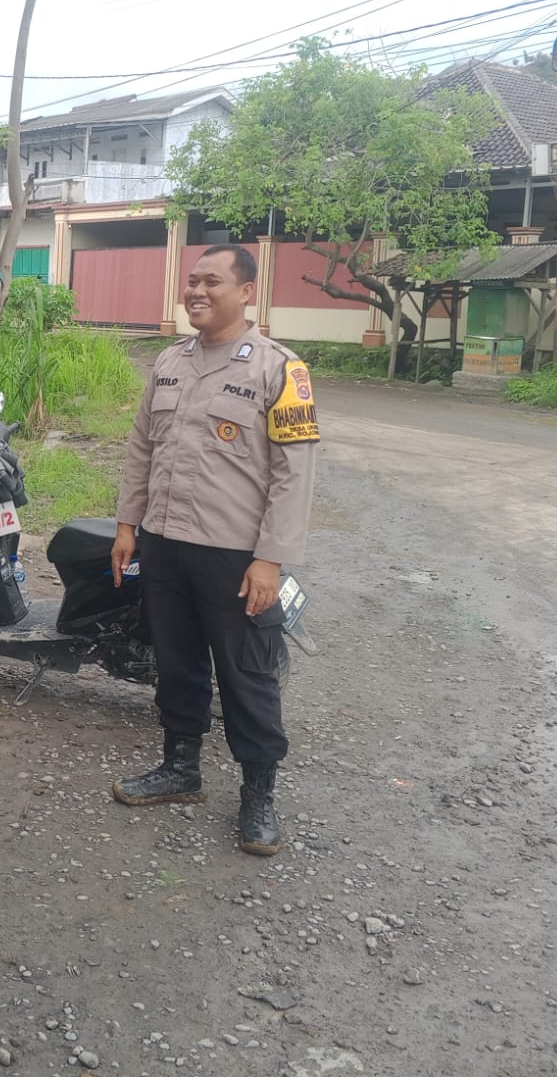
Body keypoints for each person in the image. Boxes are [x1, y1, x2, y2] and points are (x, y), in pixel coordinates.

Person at [109, 244, 318, 857]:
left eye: (212, 282)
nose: (196, 291)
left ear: (247, 292)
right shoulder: (169, 362)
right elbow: (141, 449)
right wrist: (127, 524)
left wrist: (271, 559)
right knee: (176, 662)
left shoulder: (280, 370)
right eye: (192, 281)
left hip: (235, 555)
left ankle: (258, 794)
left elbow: (294, 475)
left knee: (247, 673)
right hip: (165, 543)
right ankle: (181, 769)